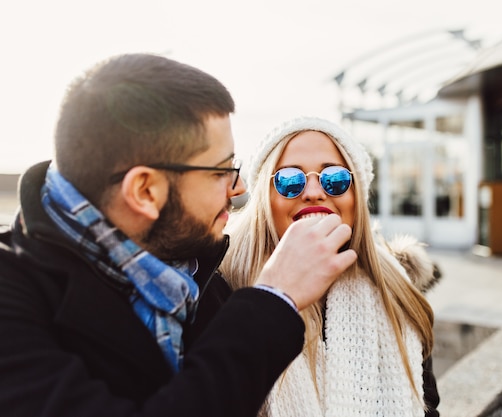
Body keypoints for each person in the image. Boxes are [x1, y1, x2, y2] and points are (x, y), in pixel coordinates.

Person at [0, 55, 357, 416]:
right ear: (145, 191)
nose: (239, 189)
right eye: (221, 172)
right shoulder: (12, 298)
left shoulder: (202, 282)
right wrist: (274, 299)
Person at [221, 116, 441, 417]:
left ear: (357, 197)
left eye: (335, 179)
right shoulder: (223, 290)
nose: (313, 192)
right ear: (265, 199)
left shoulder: (398, 293)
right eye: (289, 180)